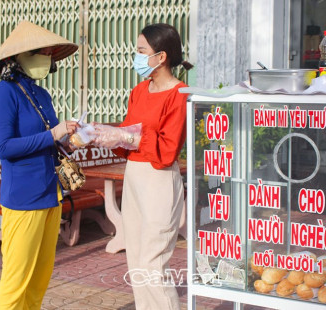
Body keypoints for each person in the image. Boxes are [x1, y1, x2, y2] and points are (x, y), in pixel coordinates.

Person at [90, 23, 193, 309]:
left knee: (153, 262)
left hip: (159, 178)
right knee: (136, 259)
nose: (136, 56)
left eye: (141, 51)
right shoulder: (139, 91)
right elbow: (129, 135)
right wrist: (106, 136)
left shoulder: (179, 93)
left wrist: (128, 135)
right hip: (134, 176)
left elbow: (168, 149)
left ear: (161, 57)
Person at [0, 20, 79, 310]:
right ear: (17, 57)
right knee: (16, 283)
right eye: (42, 51)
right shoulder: (4, 93)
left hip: (51, 195)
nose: (47, 57)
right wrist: (53, 133)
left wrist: (71, 140)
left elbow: (50, 140)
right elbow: (3, 147)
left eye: (50, 53)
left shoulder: (41, 95)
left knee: (39, 280)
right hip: (23, 199)